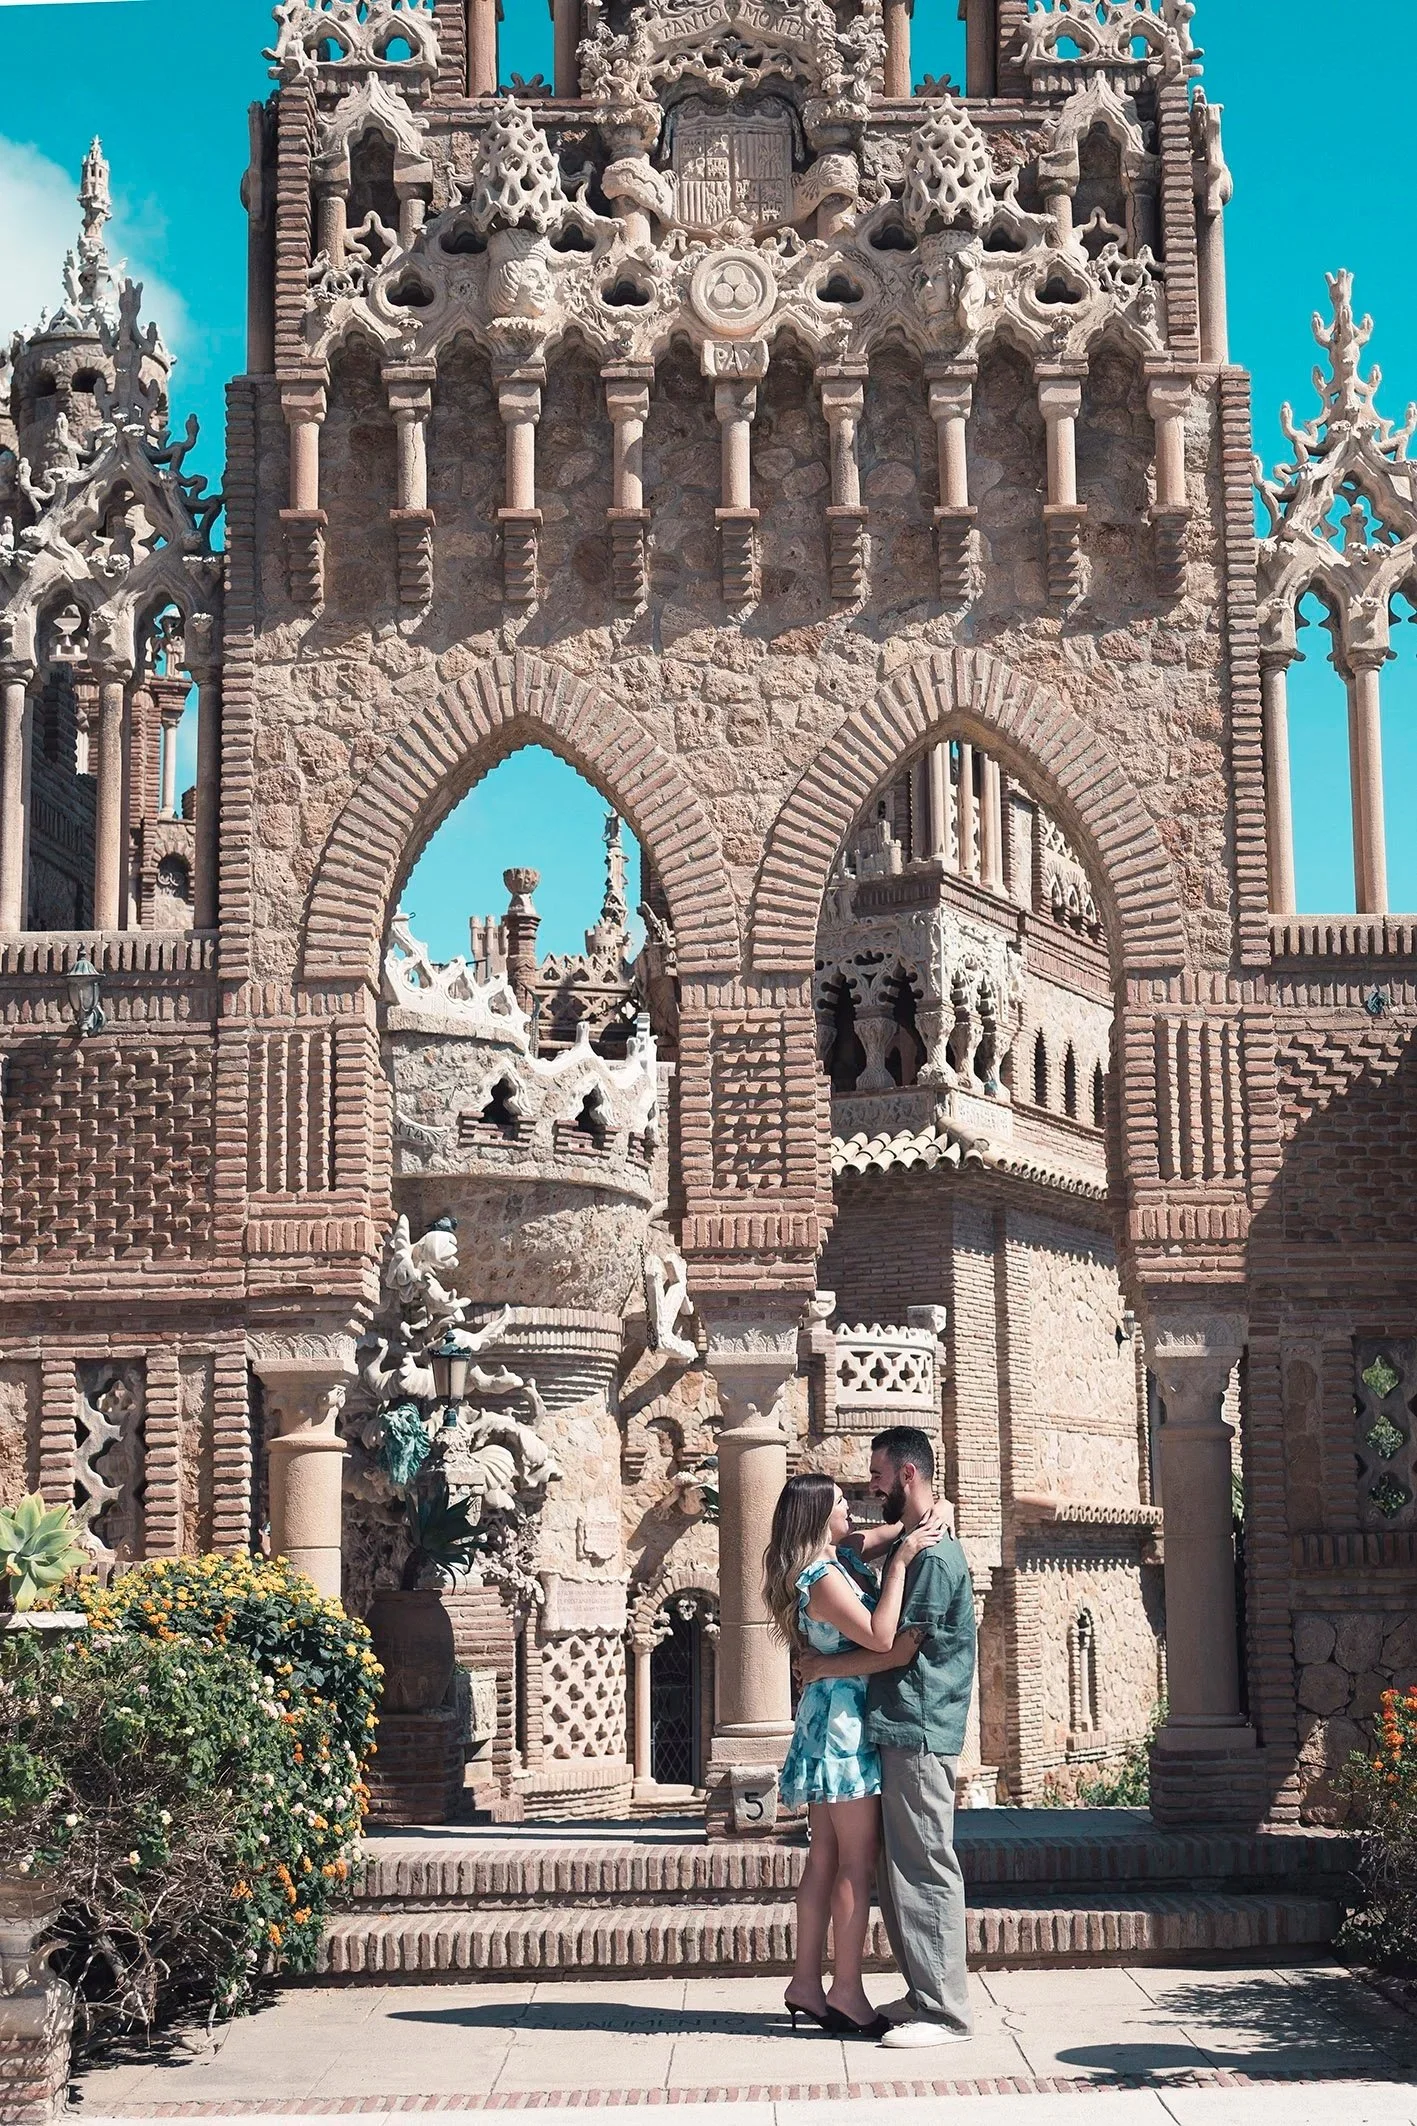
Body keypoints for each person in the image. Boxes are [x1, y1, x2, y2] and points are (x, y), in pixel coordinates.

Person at [797, 1425, 976, 2050]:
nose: (869, 1488)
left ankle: (946, 2014)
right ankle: (925, 1995)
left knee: (925, 1864)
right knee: (900, 1866)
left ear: (906, 1474)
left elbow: (896, 1649)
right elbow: (870, 1544)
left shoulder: (933, 1558)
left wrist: (824, 1667)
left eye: (877, 1475)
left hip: (920, 1726)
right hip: (896, 1725)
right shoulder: (911, 1543)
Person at [763, 1470, 946, 2040]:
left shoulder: (830, 1558)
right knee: (853, 1863)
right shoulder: (823, 1579)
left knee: (823, 1858)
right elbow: (880, 1636)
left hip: (827, 1720)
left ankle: (805, 1984)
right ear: (820, 1516)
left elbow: (890, 1530)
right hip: (843, 1728)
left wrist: (927, 1518)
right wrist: (901, 1563)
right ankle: (845, 1991)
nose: (852, 1509)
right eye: (842, 1503)